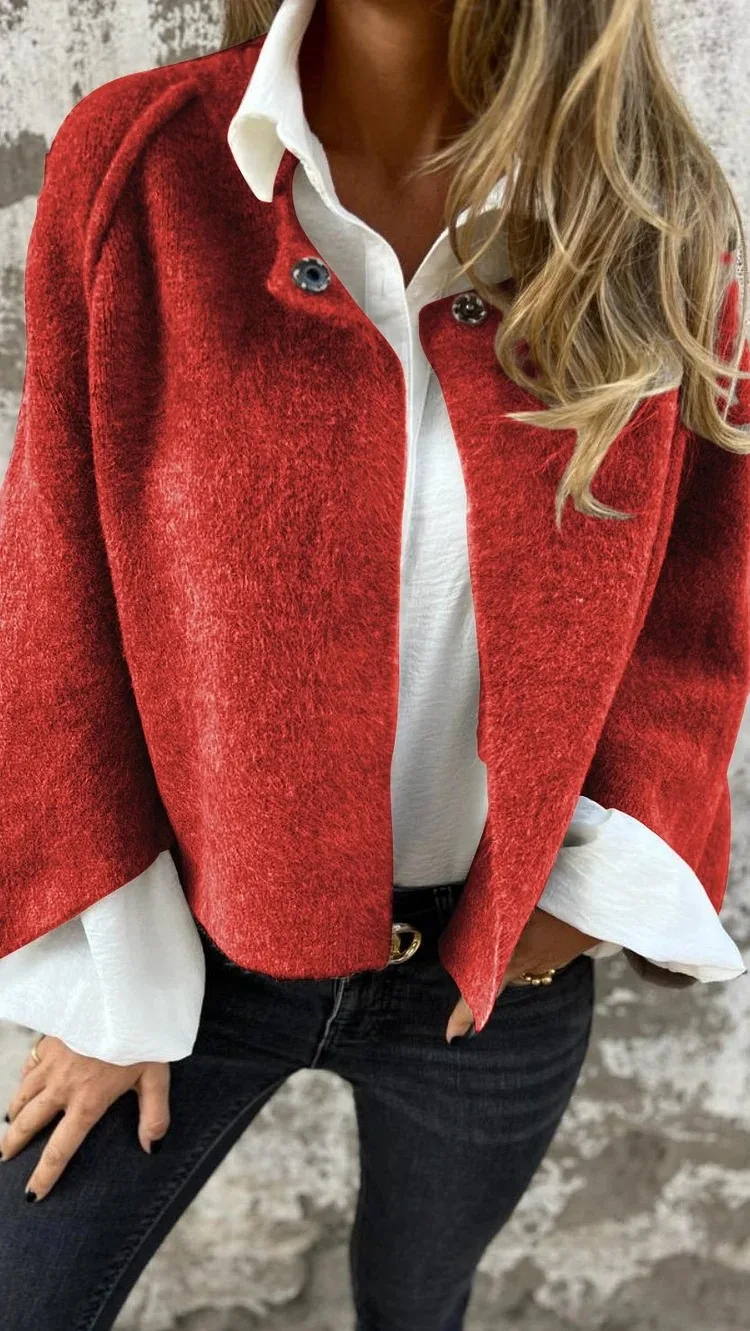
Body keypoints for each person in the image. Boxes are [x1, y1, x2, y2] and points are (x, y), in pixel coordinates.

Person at [0, 1, 748, 1328]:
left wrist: (582, 894)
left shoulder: (650, 220)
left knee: (419, 1305)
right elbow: (55, 589)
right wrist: (112, 980)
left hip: (491, 974)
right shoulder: (141, 170)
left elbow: (700, 597)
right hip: (195, 939)